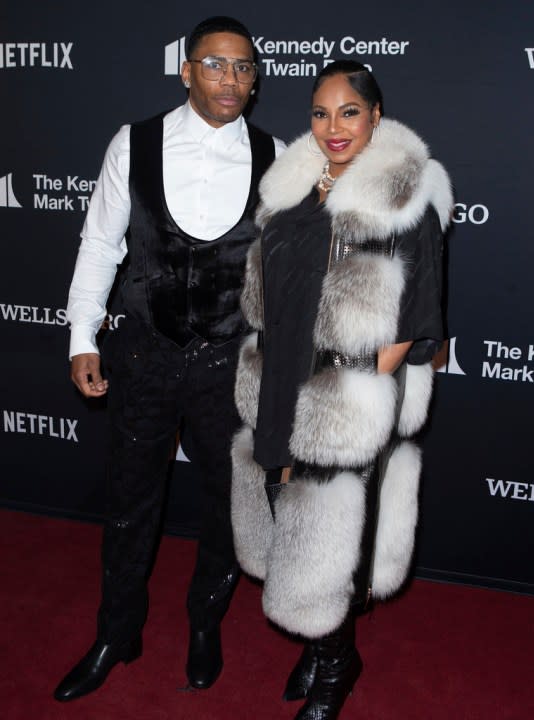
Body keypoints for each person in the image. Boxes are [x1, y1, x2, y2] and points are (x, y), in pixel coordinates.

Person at [54, 16, 285, 703]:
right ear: (187, 71)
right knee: (129, 501)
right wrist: (82, 337)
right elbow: (100, 244)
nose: (232, 80)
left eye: (245, 68)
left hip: (229, 364)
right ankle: (116, 632)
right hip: (147, 354)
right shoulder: (135, 143)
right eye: (217, 65)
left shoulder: (278, 157)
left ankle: (204, 622)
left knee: (226, 502)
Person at [231, 60, 453, 719]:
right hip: (278, 379)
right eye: (320, 113)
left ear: (376, 117)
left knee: (333, 532)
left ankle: (335, 663)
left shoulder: (402, 203)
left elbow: (418, 321)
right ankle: (324, 643)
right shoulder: (291, 192)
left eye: (349, 112)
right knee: (284, 510)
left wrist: (352, 404)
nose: (333, 127)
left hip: (343, 395)